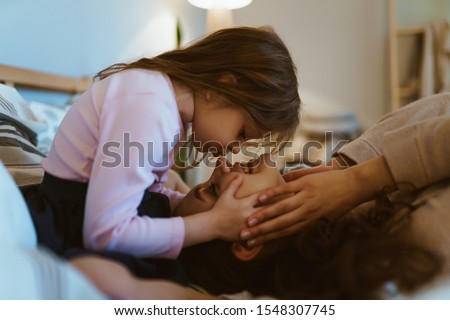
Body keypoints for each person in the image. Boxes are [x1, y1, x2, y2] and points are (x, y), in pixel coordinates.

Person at [20, 26, 301, 279]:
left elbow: (143, 192)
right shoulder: (151, 107)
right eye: (241, 133)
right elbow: (105, 233)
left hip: (78, 213)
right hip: (65, 226)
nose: (233, 151)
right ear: (224, 86)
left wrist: (190, 204)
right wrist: (213, 224)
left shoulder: (165, 108)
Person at [173, 93, 450, 299]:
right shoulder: (416, 244)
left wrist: (348, 168)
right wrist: (359, 180)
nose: (220, 166)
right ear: (250, 238)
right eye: (214, 190)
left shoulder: (348, 195)